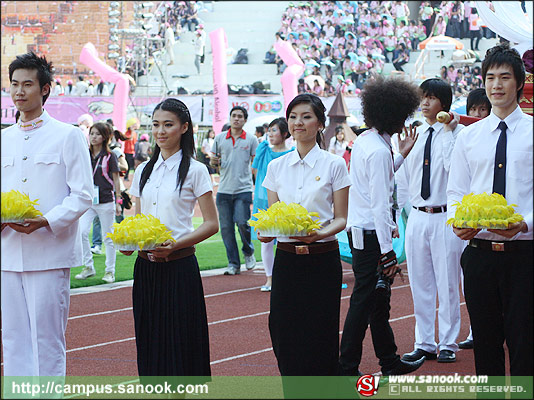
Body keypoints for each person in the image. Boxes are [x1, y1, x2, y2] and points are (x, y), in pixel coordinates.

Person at [1, 52, 93, 376]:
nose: (19, 91)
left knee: (47, 341)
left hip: (50, 253)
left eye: (28, 84)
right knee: (13, 340)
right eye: (14, 84)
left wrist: (46, 221)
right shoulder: (3, 139)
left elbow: (83, 194)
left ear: (45, 90)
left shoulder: (68, 135)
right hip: (8, 254)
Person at [447, 43, 533, 376]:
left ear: (520, 84)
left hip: (524, 255)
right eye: (490, 77)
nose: (496, 84)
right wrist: (457, 220)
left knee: (525, 343)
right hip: (479, 253)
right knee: (486, 343)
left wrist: (525, 224)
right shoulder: (468, 137)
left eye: (505, 77)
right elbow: (456, 190)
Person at [121, 98, 218, 376]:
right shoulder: (143, 170)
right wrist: (130, 242)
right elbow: (138, 220)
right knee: (150, 340)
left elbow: (211, 224)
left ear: (184, 127)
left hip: (179, 267)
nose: (160, 131)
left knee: (180, 345)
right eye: (155, 125)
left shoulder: (196, 170)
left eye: (168, 125)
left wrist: (176, 244)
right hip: (146, 269)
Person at [258, 94, 351, 375]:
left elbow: (341, 219)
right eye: (294, 116)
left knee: (320, 334)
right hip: (286, 260)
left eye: (306, 116)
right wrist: (267, 232)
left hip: (322, 259)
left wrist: (317, 234)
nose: (299, 122)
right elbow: (274, 217)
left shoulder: (334, 164)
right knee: (283, 330)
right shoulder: (276, 167)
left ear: (320, 123)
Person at [339, 76, 425, 377]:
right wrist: (388, 253)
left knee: (376, 299)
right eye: (403, 115)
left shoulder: (369, 140)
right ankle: (347, 366)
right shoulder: (376, 149)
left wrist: (402, 153)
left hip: (365, 231)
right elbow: (378, 201)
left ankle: (388, 360)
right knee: (365, 299)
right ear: (393, 113)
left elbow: (380, 183)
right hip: (370, 234)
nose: (405, 121)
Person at [396, 78, 464, 364]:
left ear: (444, 103)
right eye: (422, 97)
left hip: (445, 216)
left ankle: (448, 342)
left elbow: (453, 167)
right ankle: (424, 341)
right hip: (417, 217)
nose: (424, 103)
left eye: (431, 98)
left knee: (448, 281)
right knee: (420, 282)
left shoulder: (457, 133)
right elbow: (402, 179)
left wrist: (448, 129)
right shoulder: (416, 135)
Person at [210, 106, 259, 275]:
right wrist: (213, 161)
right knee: (226, 229)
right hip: (224, 190)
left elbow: (255, 164)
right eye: (234, 116)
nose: (236, 119)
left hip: (243, 189)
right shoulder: (219, 138)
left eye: (240, 116)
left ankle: (248, 250)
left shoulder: (251, 140)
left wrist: (257, 184)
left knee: (242, 222)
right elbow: (213, 163)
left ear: (245, 120)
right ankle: (233, 263)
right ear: (230, 118)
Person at [75, 122, 122, 283]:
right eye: (92, 133)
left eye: (97, 134)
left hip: (106, 200)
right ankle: (89, 266)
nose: (93, 137)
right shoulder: (85, 154)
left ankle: (110, 271)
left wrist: (118, 200)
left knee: (108, 237)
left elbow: (116, 179)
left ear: (104, 137)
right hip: (88, 200)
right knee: (81, 232)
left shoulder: (110, 156)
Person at [251, 117, 294, 292]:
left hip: (286, 200)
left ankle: (286, 276)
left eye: (274, 130)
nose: (270, 134)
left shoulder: (291, 152)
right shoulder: (263, 148)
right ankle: (269, 278)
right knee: (266, 240)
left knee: (288, 237)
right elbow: (255, 169)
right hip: (263, 199)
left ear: (285, 133)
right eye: (269, 130)